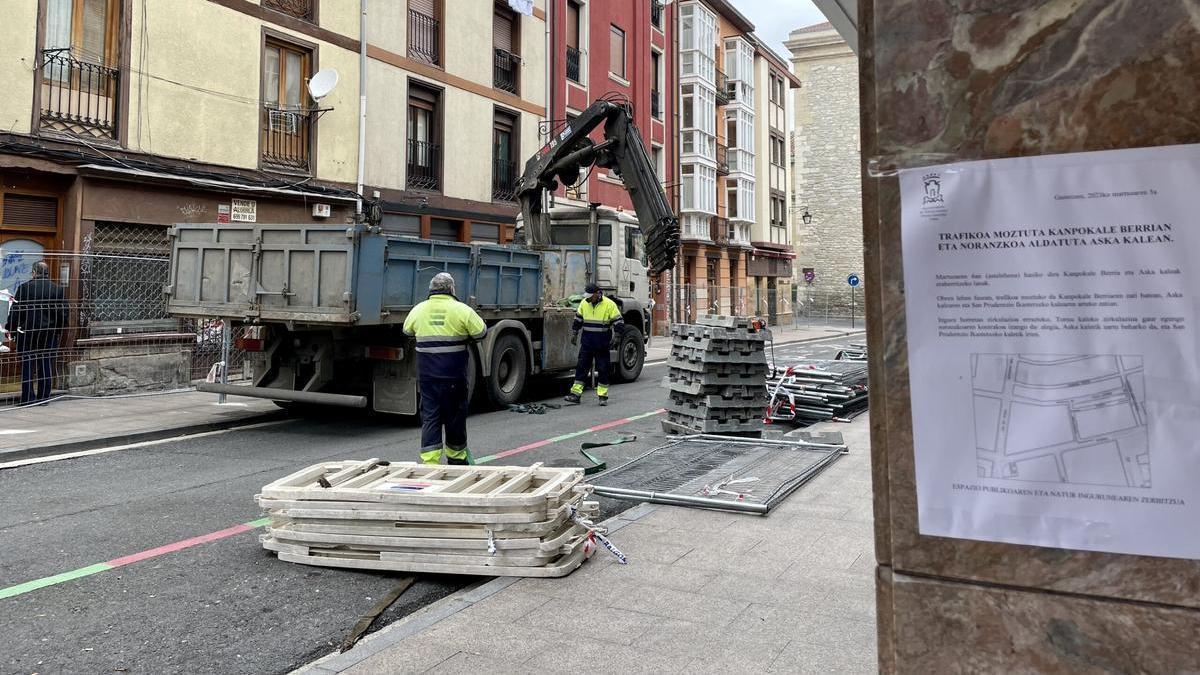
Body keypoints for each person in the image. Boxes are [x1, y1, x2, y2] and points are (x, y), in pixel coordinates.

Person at [403, 272, 487, 465]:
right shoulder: (462, 310)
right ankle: (456, 459)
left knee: (430, 417)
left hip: (427, 378)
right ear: (451, 289)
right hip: (454, 378)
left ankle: (430, 462)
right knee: (455, 416)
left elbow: (407, 330)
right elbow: (481, 332)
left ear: (431, 290)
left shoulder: (418, 310)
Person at [11, 261, 67, 404]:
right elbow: (63, 314)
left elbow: (16, 311)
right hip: (49, 333)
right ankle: (44, 397)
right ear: (47, 273)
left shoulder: (24, 288)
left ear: (34, 272)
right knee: (46, 364)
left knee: (27, 365)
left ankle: (28, 398)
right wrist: (58, 330)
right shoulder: (57, 289)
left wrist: (12, 329)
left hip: (27, 333)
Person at [565, 282, 624, 406]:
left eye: (590, 296)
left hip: (602, 343)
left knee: (603, 369)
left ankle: (603, 396)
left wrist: (617, 336)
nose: (588, 298)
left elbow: (618, 321)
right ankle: (575, 394)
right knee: (581, 367)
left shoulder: (609, 304)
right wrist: (575, 332)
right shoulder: (584, 303)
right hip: (587, 342)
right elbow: (578, 319)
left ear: (597, 294)